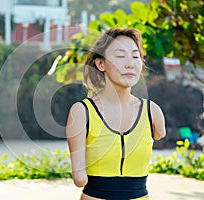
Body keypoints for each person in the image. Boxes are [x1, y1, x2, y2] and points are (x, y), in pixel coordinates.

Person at [66, 28, 166, 200]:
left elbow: (160, 133)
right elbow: (79, 179)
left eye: (135, 56)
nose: (130, 63)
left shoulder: (152, 112)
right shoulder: (82, 112)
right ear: (100, 64)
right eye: (120, 56)